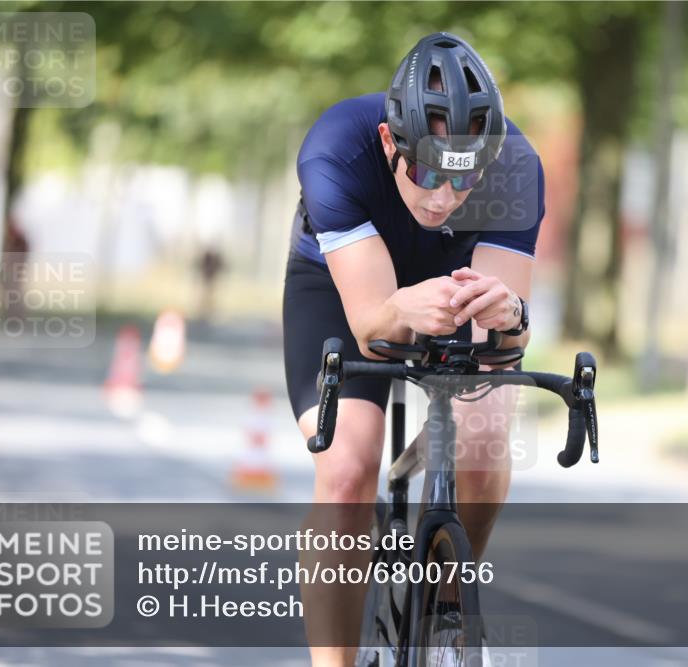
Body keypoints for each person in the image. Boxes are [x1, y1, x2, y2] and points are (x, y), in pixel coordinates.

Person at [281, 32, 543, 666]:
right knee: (346, 472)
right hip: (342, 281)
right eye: (427, 171)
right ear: (389, 142)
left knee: (482, 445)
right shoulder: (336, 149)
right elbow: (373, 324)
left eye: (464, 178)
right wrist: (400, 307)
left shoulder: (515, 166)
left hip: (457, 278)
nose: (444, 197)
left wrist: (510, 317)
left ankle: (444, 610)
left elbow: (509, 345)